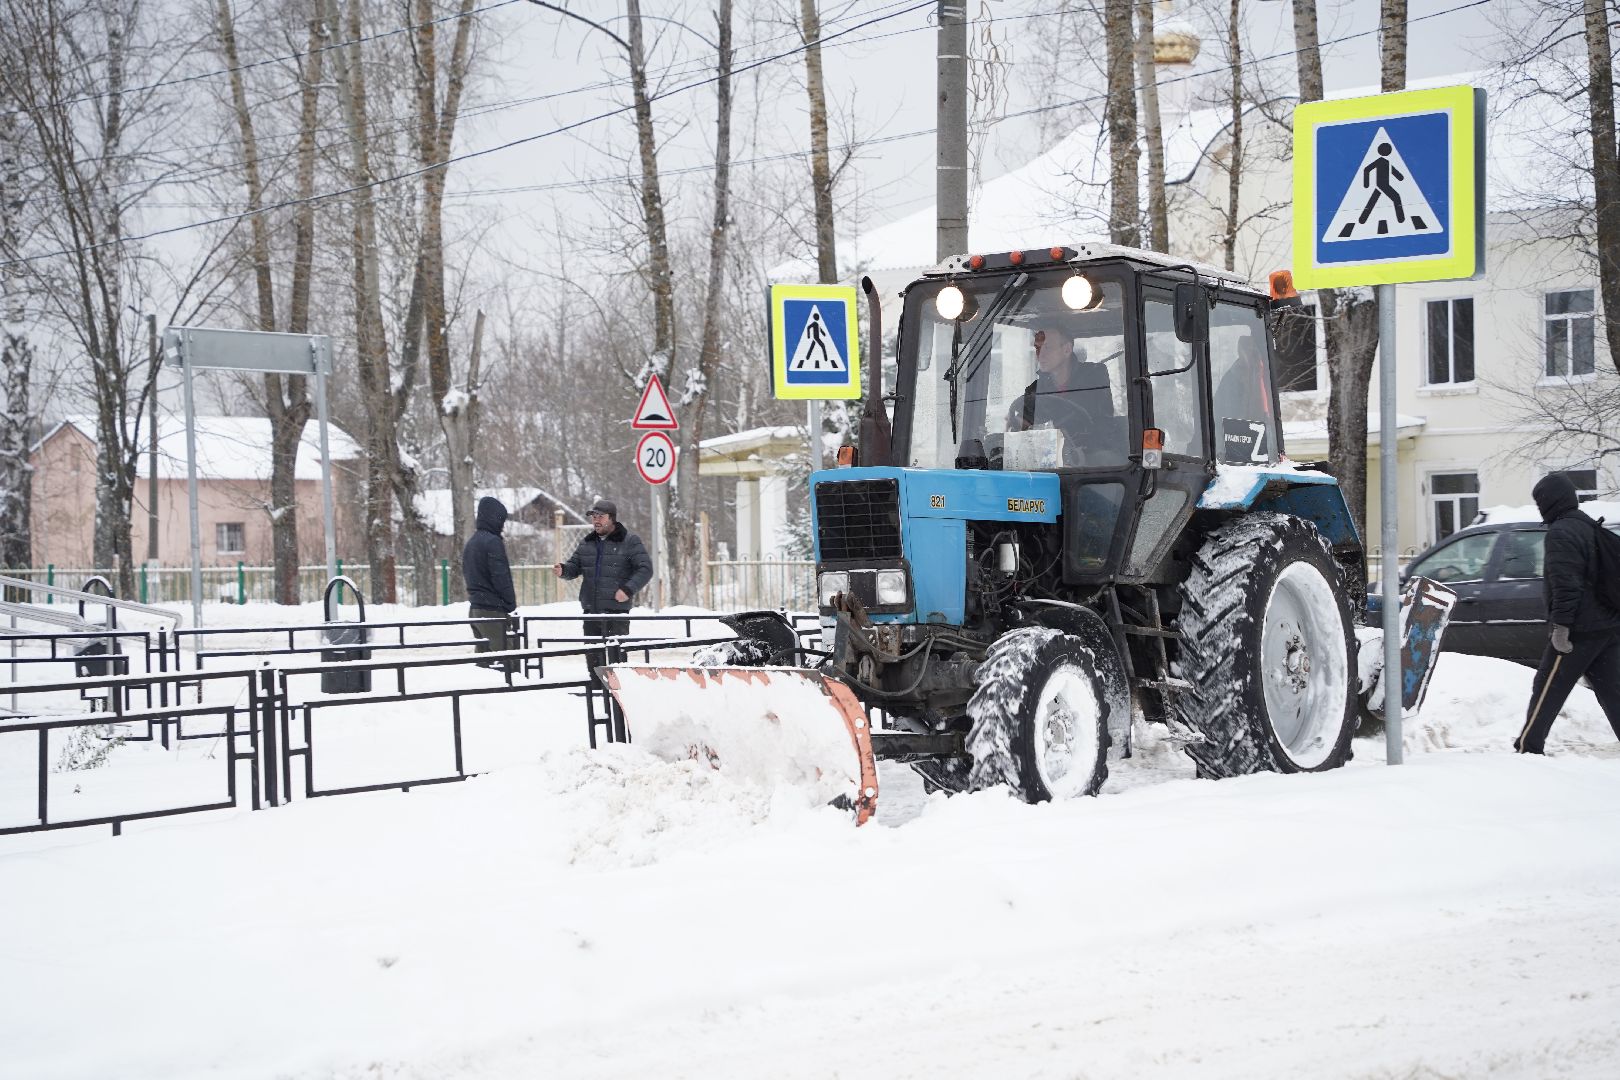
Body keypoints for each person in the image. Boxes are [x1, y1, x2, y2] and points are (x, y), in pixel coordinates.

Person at [1514, 472, 1620, 754]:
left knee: (1547, 688)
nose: (1539, 508)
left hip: (1579, 631)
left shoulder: (1561, 533)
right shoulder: (1586, 525)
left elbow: (1566, 586)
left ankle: (1528, 746)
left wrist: (1561, 627)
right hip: (1607, 626)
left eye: (1541, 502)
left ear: (1550, 501)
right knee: (1612, 692)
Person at [1006, 324, 1120, 463]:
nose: (1040, 354)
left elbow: (1097, 419)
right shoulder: (1038, 387)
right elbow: (1031, 420)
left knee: (1104, 459)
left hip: (1091, 451)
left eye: (1047, 347)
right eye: (1037, 348)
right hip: (1052, 456)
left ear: (1066, 350)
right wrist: (1019, 422)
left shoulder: (1094, 375)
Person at [553, 499, 654, 638]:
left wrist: (627, 590)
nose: (596, 520)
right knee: (592, 655)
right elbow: (575, 566)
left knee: (617, 658)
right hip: (590, 612)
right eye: (594, 517)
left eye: (601, 516)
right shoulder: (587, 543)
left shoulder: (629, 541)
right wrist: (564, 570)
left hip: (616, 612)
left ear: (611, 518)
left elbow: (645, 569)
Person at [462, 495, 517, 661]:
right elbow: (501, 577)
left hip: (475, 609)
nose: (502, 525)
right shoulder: (492, 542)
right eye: (501, 519)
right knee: (509, 662)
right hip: (492, 610)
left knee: (485, 661)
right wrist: (510, 603)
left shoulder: (472, 542)